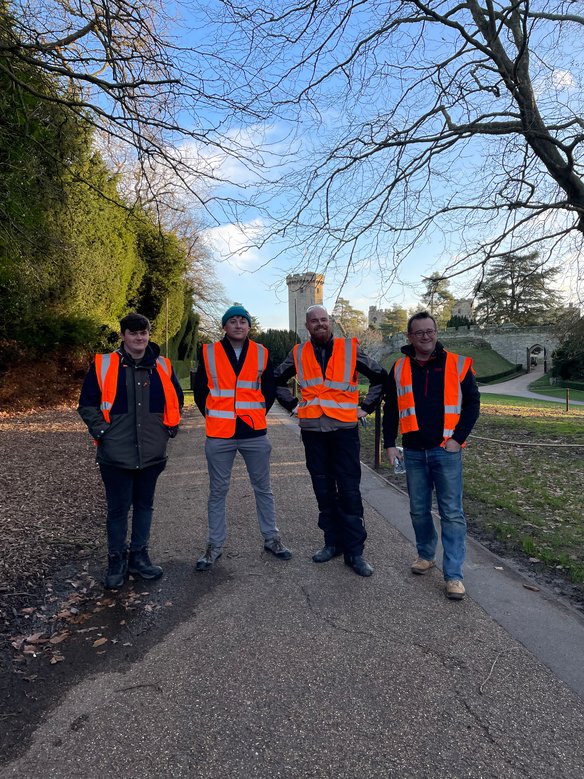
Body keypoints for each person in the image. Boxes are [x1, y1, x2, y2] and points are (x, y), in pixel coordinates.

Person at [275, 305, 386, 577]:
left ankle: (355, 552)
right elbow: (275, 379)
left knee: (348, 490)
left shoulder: (349, 349)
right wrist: (292, 405)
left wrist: (366, 407)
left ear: (330, 322)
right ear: (307, 325)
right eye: (315, 321)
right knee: (323, 490)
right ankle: (331, 543)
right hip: (313, 431)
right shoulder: (298, 353)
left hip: (344, 431)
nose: (320, 324)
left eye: (324, 320)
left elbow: (380, 377)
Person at [78, 312, 184, 590]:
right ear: (123, 335)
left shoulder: (162, 365)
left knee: (145, 506)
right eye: (134, 333)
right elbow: (87, 403)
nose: (140, 337)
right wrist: (103, 432)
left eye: (144, 332)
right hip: (116, 454)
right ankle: (116, 561)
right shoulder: (103, 364)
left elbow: (176, 400)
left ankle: (140, 557)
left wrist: (168, 429)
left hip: (152, 452)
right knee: (117, 509)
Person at [384, 311, 480, 600]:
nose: (426, 336)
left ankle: (453, 575)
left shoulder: (458, 364)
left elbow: (473, 405)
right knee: (418, 509)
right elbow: (391, 409)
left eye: (430, 331)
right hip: (412, 451)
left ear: (437, 333)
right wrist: (390, 443)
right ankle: (425, 554)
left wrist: (458, 440)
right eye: (419, 332)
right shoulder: (399, 367)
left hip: (445, 450)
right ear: (410, 337)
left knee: (452, 513)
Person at [193, 305, 292, 570]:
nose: (238, 325)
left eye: (243, 321)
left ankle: (272, 538)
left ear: (249, 327)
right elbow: (200, 389)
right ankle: (214, 545)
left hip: (253, 432)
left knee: (263, 488)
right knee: (217, 491)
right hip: (219, 433)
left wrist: (257, 413)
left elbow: (269, 389)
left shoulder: (261, 352)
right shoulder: (209, 352)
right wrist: (214, 415)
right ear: (224, 326)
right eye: (233, 321)